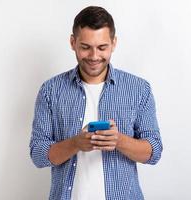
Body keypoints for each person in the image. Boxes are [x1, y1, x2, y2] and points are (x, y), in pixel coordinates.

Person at [29, 6, 163, 200]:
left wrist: (118, 140)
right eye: (85, 47)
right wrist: (75, 143)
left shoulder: (138, 89)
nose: (94, 56)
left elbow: (154, 151)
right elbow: (38, 155)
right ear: (73, 42)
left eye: (102, 47)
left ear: (113, 43)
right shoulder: (50, 90)